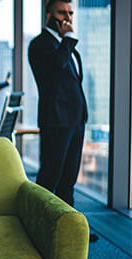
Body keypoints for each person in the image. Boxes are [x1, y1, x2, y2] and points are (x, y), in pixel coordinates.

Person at [28, 0, 97, 242]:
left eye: (70, 13)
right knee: (50, 176)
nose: (68, 18)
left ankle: (70, 230)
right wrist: (69, 39)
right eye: (62, 12)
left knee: (69, 179)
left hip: (76, 119)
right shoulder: (40, 45)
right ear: (49, 15)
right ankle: (40, 226)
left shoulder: (64, 45)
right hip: (56, 119)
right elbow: (55, 70)